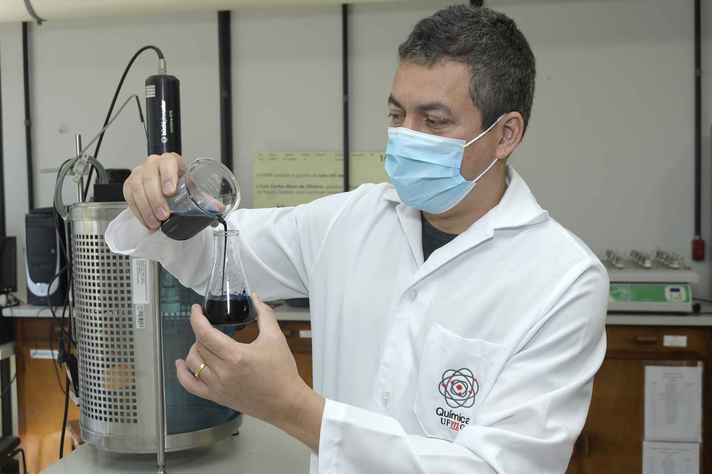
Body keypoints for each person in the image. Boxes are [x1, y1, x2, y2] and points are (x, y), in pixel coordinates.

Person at [105, 5, 608, 473]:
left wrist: (293, 409)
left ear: (505, 134)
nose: (406, 137)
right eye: (396, 116)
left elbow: (497, 467)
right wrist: (162, 201)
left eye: (433, 121)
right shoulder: (348, 221)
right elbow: (212, 249)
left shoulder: (562, 280)